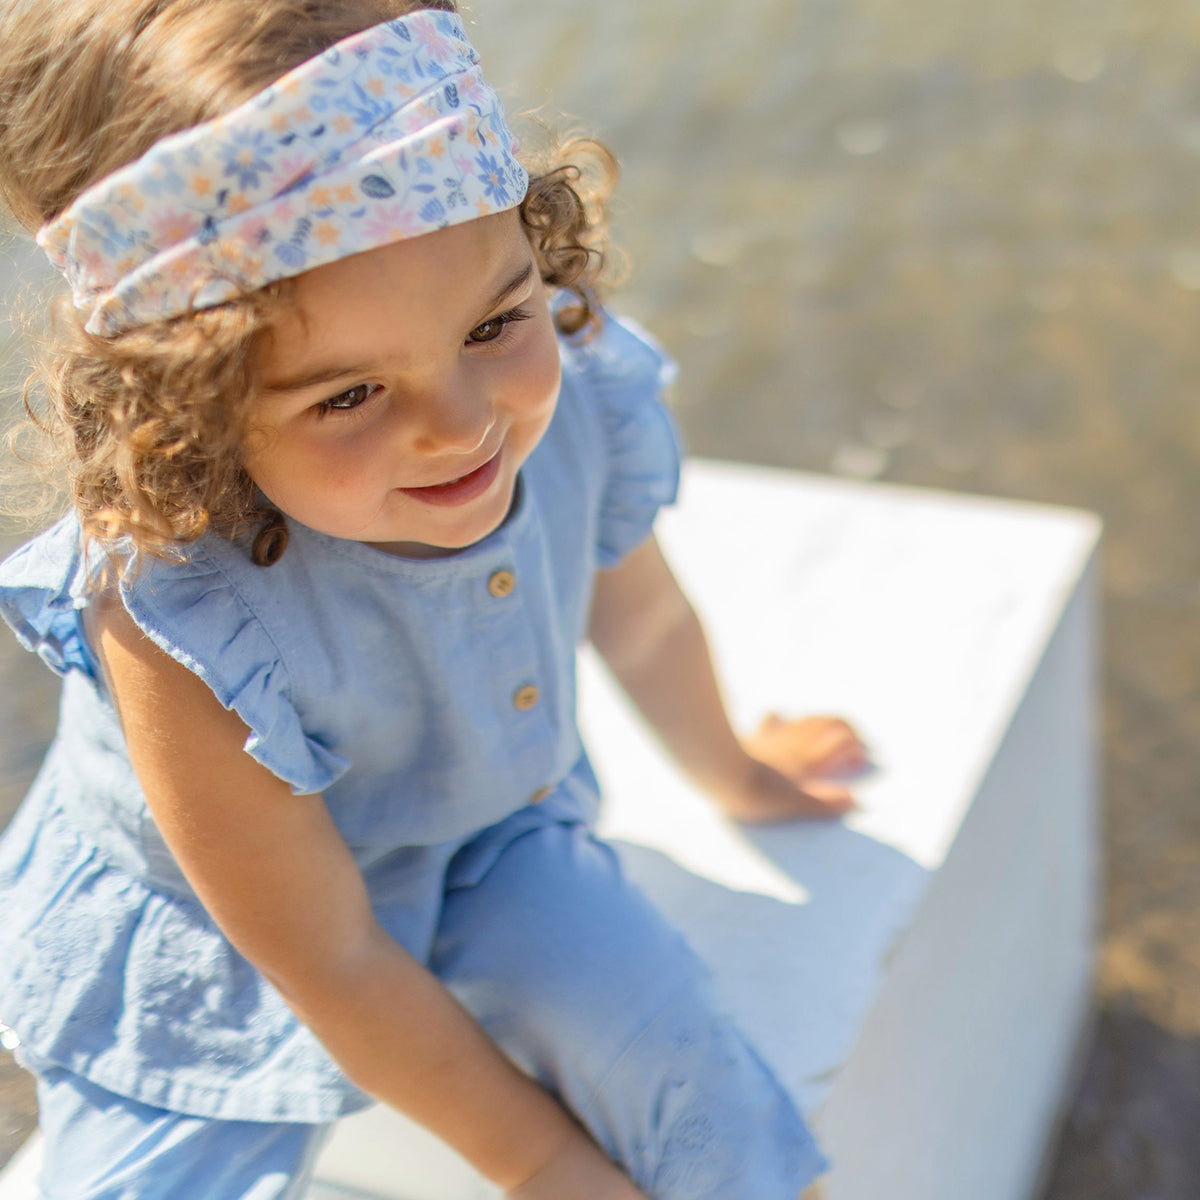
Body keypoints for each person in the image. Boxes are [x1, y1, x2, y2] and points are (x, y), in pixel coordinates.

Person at [0, 1, 867, 1196]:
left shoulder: (575, 402)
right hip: (211, 942)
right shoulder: (172, 613)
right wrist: (547, 1165)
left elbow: (648, 617)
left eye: (494, 322)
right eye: (348, 395)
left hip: (487, 839)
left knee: (687, 1071)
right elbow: (329, 955)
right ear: (186, 416)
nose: (463, 425)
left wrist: (735, 771)